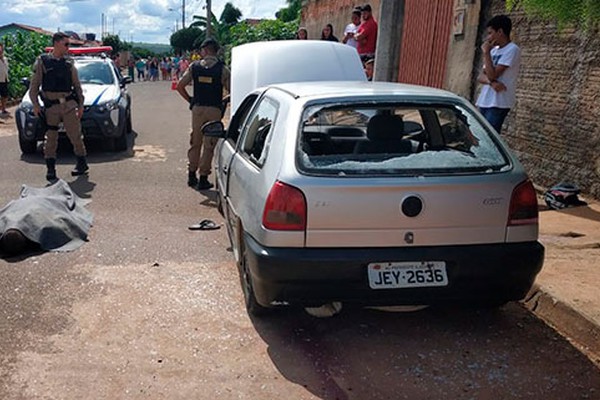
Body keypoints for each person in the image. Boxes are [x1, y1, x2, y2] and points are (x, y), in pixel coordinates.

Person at [29, 32, 88, 181]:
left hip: (68, 105)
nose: (68, 47)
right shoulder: (43, 61)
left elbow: (77, 86)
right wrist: (35, 105)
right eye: (66, 44)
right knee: (51, 139)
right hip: (51, 107)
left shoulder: (69, 63)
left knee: (75, 135)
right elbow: (34, 85)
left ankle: (82, 163)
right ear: (56, 43)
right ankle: (50, 169)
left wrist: (81, 105)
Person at [176, 38, 231, 190]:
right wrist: (223, 101)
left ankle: (191, 175)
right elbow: (232, 90)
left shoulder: (194, 67)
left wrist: (191, 101)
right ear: (216, 50)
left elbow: (180, 86)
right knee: (209, 145)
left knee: (195, 142)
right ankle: (203, 178)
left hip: (197, 109)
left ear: (205, 50)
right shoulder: (223, 69)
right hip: (214, 110)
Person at [475, 15, 521, 134]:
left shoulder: (512, 50)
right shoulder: (493, 50)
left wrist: (486, 53)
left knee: (490, 136)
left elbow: (492, 75)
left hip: (499, 102)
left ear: (500, 31)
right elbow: (480, 76)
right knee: (480, 135)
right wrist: (492, 83)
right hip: (485, 100)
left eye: (490, 33)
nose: (488, 37)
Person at [0, 43, 9, 117]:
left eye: (1, 49)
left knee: (5, 95)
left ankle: (3, 109)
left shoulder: (5, 59)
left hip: (5, 79)